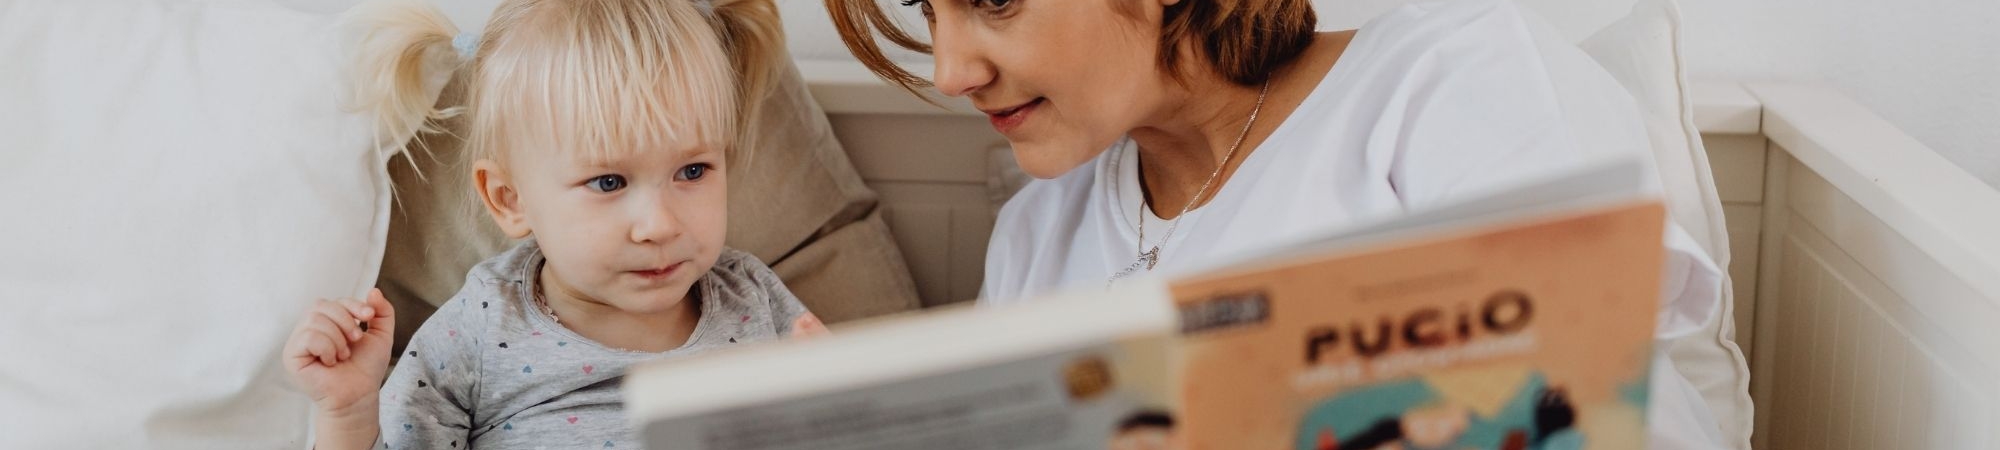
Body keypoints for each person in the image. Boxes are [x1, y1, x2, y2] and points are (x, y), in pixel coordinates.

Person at [825, 0, 1726, 447]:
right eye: (924, 6)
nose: (950, 71)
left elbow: (1602, 409)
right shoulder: (1035, 233)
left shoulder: (1448, 81)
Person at [281, 0, 823, 447]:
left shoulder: (752, 296)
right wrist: (349, 415)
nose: (659, 225)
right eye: (608, 182)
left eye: (693, 171)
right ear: (510, 199)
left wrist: (833, 394)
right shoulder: (483, 326)